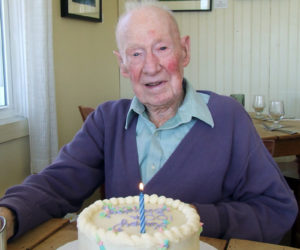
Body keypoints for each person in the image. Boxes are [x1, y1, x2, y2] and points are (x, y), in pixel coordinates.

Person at [0, 0, 297, 244]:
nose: (151, 66)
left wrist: (192, 218)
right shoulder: (107, 120)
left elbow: (276, 210)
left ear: (185, 51)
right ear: (123, 65)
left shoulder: (229, 118)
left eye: (162, 48)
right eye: (136, 53)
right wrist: (7, 216)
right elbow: (54, 184)